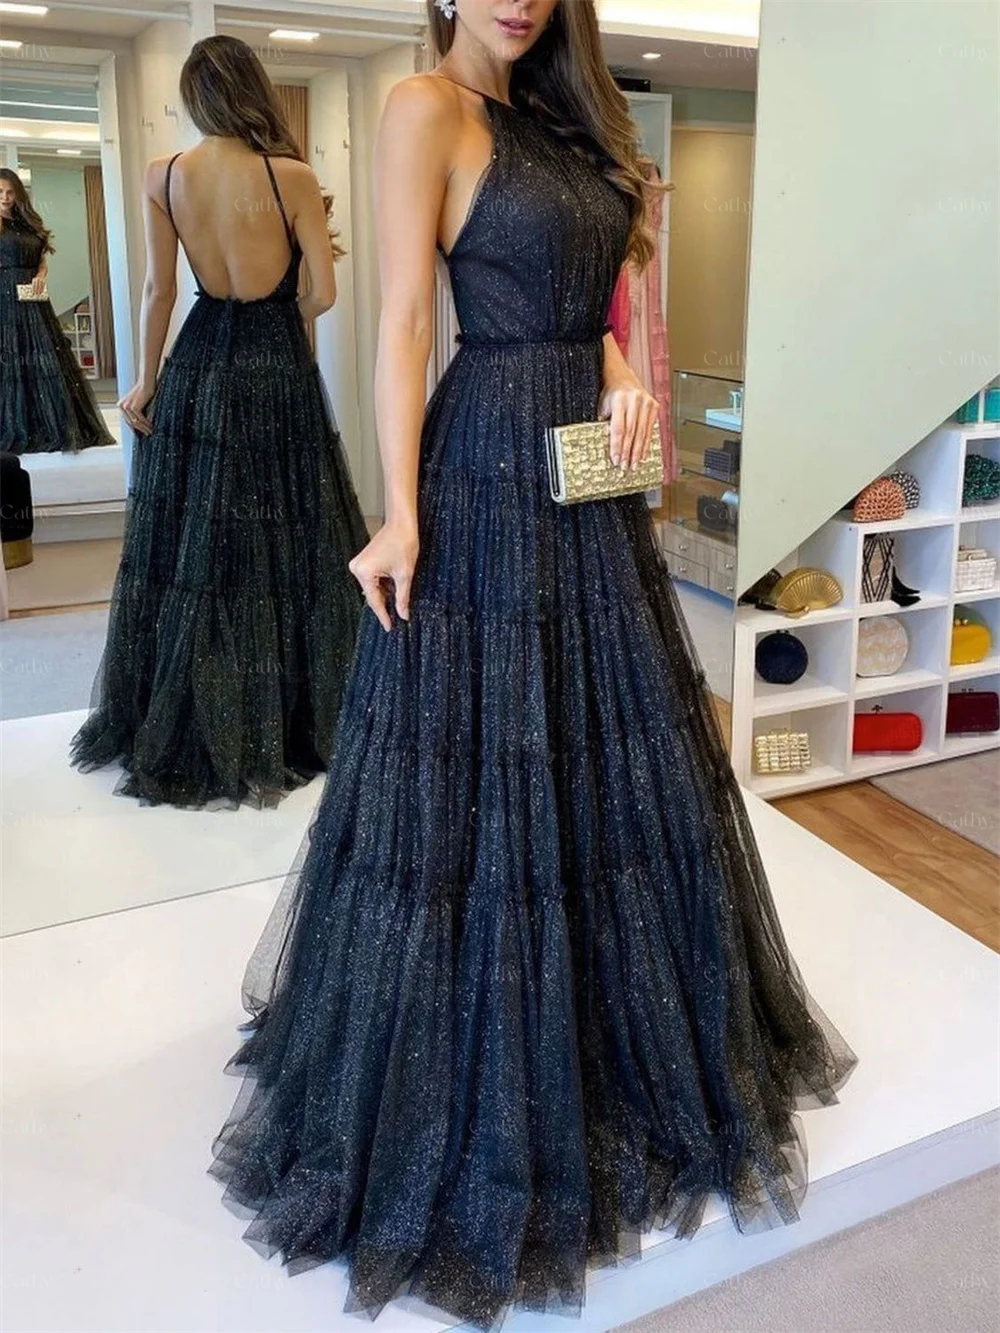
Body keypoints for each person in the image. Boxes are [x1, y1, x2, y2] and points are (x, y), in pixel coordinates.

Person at [209, 1, 859, 1324]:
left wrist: (618, 364)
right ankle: (484, 1076)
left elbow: (580, 288)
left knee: (601, 746)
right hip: (490, 459)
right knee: (487, 756)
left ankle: (612, 1046)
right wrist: (399, 512)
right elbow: (404, 319)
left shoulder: (564, 116)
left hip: (585, 470)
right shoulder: (424, 108)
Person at [69, 36, 368, 809]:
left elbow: (158, 290)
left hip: (201, 362)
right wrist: (283, 319)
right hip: (274, 363)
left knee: (200, 537)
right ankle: (288, 716)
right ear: (252, 88)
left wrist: (144, 380)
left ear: (195, 99)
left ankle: (196, 712)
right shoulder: (292, 176)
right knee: (286, 530)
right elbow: (324, 294)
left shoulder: (164, 174)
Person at [0, 168, 114, 454]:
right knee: (12, 359)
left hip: (32, 296)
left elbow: (41, 259)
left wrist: (40, 275)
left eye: (10, 192)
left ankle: (46, 424)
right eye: (0, 192)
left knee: (43, 359)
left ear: (18, 194)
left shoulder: (28, 222)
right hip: (4, 297)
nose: (5, 197)